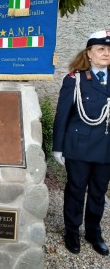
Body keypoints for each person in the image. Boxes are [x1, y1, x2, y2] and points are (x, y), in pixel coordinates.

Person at [53, 30, 110, 256]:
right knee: (76, 191)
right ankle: (72, 231)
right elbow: (62, 115)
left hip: (106, 149)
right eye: (101, 49)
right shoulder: (75, 80)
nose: (106, 53)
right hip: (79, 146)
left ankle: (93, 233)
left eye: (109, 50)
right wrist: (58, 147)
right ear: (89, 53)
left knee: (98, 193)